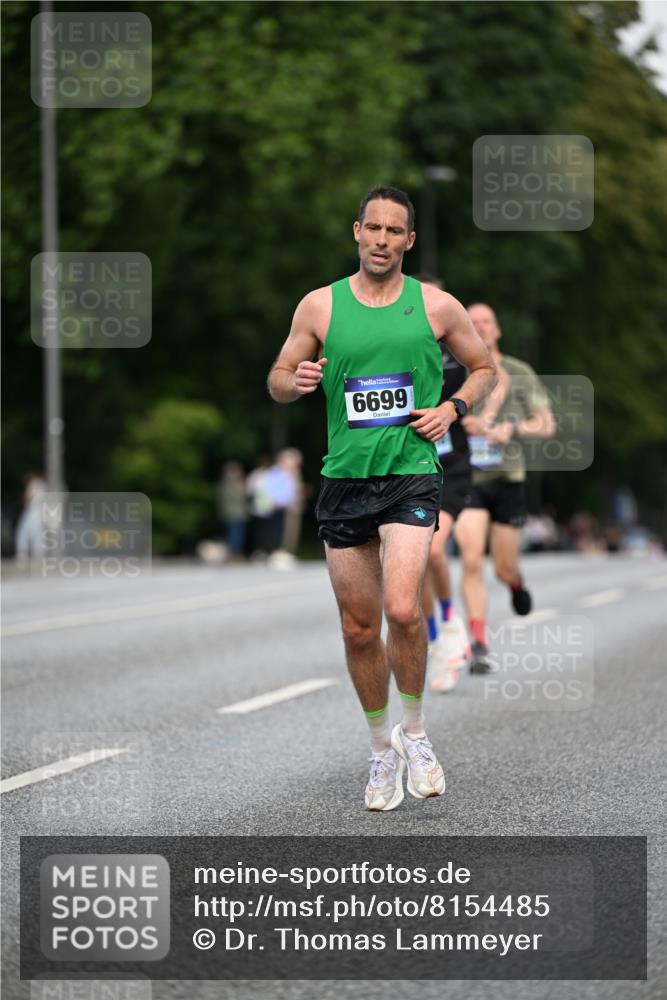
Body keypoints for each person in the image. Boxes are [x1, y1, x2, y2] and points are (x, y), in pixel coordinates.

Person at [267, 186, 496, 811]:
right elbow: (278, 379)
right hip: (343, 478)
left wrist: (452, 409)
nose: (382, 240)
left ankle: (415, 733)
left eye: (395, 232)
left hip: (411, 473)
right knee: (358, 626)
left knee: (401, 610)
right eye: (374, 228)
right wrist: (297, 380)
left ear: (409, 241)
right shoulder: (320, 307)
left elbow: (482, 368)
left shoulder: (437, 306)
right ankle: (378, 751)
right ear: (357, 231)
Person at [455, 303, 555, 673]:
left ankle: (514, 582)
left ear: (497, 331)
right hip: (469, 480)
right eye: (472, 322)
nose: (479, 328)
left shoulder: (519, 372)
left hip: (507, 477)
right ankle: (478, 642)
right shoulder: (454, 370)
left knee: (502, 567)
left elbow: (546, 425)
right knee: (468, 559)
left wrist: (509, 429)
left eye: (486, 322)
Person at [217, 461, 248, 560]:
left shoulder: (224, 483)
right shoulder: (231, 484)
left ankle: (234, 553)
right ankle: (233, 553)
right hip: (235, 513)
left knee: (236, 534)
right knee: (235, 534)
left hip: (234, 512)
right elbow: (238, 497)